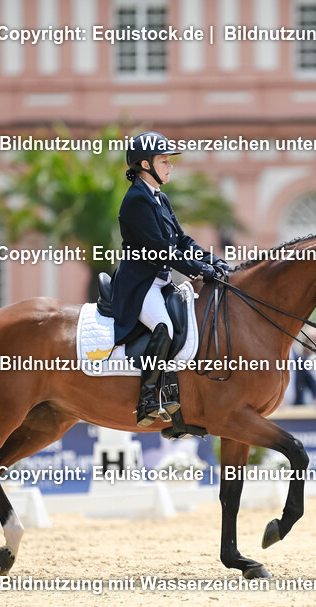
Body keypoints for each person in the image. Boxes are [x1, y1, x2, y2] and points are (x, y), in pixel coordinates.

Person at [112, 131, 230, 427]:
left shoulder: (160, 198)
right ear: (145, 164)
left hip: (161, 281)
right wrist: (198, 270)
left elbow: (182, 240)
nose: (170, 166)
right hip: (140, 284)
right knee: (163, 326)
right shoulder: (136, 200)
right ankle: (147, 400)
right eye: (164, 161)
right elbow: (161, 250)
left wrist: (211, 260)